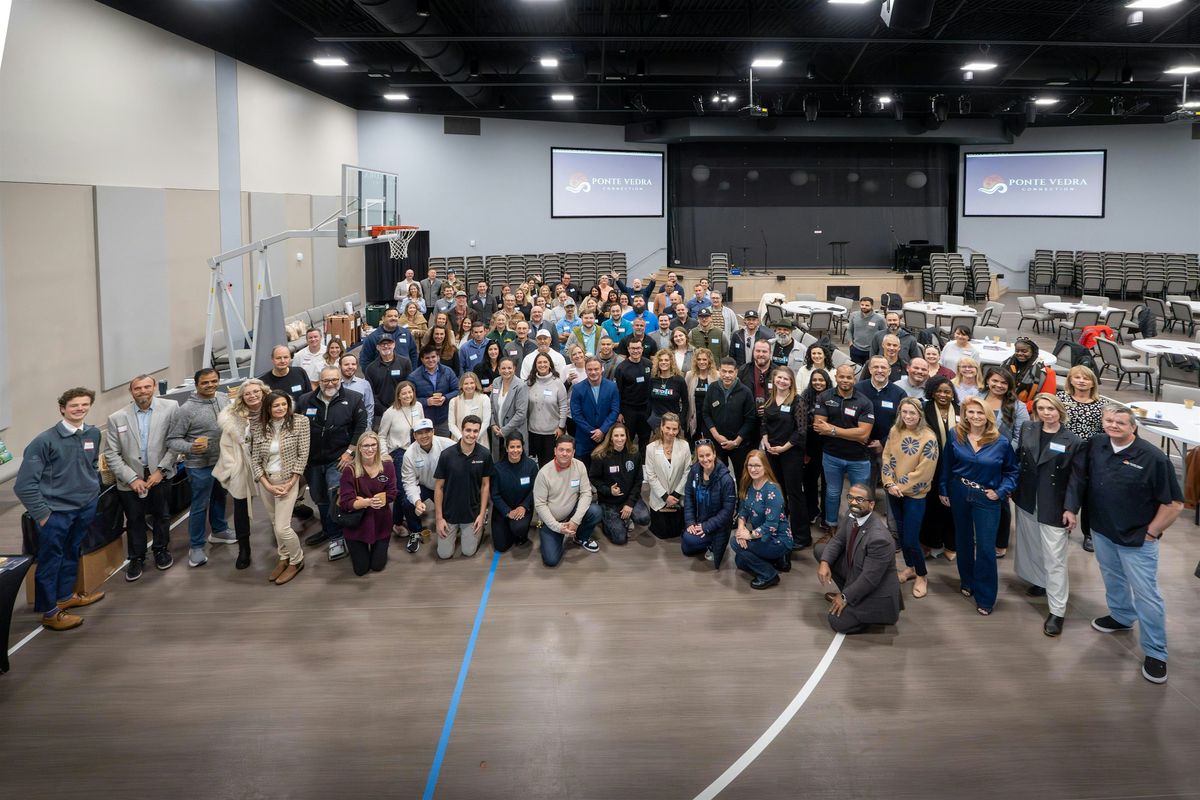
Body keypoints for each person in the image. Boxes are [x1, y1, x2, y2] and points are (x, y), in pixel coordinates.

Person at [1082, 404, 1182, 684]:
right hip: (1103, 531)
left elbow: (1174, 503)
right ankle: (1122, 616)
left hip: (1137, 539)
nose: (1113, 426)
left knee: (1146, 594)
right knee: (1112, 577)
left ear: (1133, 427)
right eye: (1109, 421)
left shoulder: (1153, 458)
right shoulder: (1098, 444)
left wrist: (1151, 532)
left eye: (1121, 423)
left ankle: (1156, 652)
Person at [16, 387, 105, 630]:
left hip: (85, 507)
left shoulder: (93, 433)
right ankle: (49, 612)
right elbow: (24, 485)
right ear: (62, 409)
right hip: (55, 513)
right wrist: (43, 515)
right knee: (50, 559)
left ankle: (65, 597)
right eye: (74, 405)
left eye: (84, 404)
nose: (80, 409)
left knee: (71, 551)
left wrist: (92, 491)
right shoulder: (43, 441)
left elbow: (92, 465)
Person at [938, 396, 1020, 616]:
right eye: (971, 412)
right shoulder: (955, 434)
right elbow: (947, 464)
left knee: (985, 547)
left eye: (980, 412)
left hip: (987, 497)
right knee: (963, 540)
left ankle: (985, 596)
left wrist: (1000, 492)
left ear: (988, 416)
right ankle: (967, 581)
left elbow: (1012, 472)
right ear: (965, 414)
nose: (975, 416)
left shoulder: (1001, 442)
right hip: (959, 491)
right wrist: (943, 488)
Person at [1012, 393, 1083, 637]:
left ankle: (1057, 611)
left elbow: (1076, 479)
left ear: (1059, 410)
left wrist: (1071, 508)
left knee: (1055, 558)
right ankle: (1041, 582)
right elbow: (1020, 460)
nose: (1046, 413)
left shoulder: (1073, 440)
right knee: (1033, 546)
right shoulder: (1028, 428)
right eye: (1041, 408)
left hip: (1054, 504)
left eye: (1051, 408)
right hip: (1027, 499)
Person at [104, 375, 179, 581]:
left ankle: (161, 549)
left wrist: (161, 471)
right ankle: (136, 557)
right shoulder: (117, 418)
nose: (142, 391)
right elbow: (111, 453)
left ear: (154, 387)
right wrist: (131, 479)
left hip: (161, 473)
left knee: (162, 515)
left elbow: (176, 442)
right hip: (131, 477)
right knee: (134, 519)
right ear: (131, 392)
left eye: (147, 387)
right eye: (137, 388)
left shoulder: (171, 408)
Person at [295, 366, 368, 561]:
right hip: (312, 461)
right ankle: (328, 529)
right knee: (319, 497)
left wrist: (349, 452)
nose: (330, 384)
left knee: (335, 495)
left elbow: (361, 426)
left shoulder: (353, 398)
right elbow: (295, 427)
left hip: (339, 459)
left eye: (334, 379)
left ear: (340, 380)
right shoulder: (305, 400)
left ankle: (338, 536)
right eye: (326, 380)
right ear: (319, 382)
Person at [166, 368, 233, 567]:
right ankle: (196, 546)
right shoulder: (186, 410)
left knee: (220, 496)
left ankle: (219, 530)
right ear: (196, 385)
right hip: (199, 466)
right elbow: (172, 440)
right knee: (199, 505)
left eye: (214, 381)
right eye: (205, 382)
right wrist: (191, 447)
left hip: (222, 461)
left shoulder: (223, 399)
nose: (210, 385)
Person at [815, 483, 903, 633]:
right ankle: (850, 595)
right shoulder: (852, 515)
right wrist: (825, 562)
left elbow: (869, 579)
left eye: (860, 499)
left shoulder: (879, 538)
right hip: (857, 569)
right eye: (850, 497)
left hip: (875, 589)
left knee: (837, 621)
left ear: (871, 504)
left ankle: (868, 612)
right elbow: (838, 540)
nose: (853, 502)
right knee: (821, 551)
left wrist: (845, 597)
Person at [248, 391, 310, 584]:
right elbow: (255, 460)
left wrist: (291, 483)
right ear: (268, 408)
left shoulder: (300, 422)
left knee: (283, 527)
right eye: (276, 405)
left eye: (284, 404)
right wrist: (266, 484)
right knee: (275, 522)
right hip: (267, 482)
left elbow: (303, 455)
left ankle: (297, 560)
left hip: (287, 481)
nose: (281, 408)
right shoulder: (258, 427)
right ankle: (284, 557)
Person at [881, 397, 939, 600]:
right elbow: (886, 456)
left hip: (915, 495)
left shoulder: (928, 437)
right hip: (894, 491)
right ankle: (910, 568)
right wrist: (889, 483)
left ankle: (922, 575)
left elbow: (925, 471)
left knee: (911, 539)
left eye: (912, 412)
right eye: (904, 412)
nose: (908, 416)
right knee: (901, 532)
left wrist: (900, 487)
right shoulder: (895, 430)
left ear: (920, 414)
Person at [813, 364, 875, 532]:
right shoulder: (824, 397)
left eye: (849, 377)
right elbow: (819, 427)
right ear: (836, 377)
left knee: (860, 496)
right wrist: (853, 433)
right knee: (832, 493)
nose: (845, 380)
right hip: (832, 456)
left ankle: (856, 529)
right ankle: (831, 527)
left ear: (854, 379)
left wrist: (832, 430)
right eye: (842, 376)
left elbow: (864, 435)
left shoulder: (865, 402)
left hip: (859, 459)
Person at [213, 378, 267, 570]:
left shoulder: (274, 409)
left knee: (277, 504)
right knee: (241, 507)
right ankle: (244, 549)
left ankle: (283, 543)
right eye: (247, 393)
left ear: (263, 392)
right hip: (243, 466)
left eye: (256, 392)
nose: (252, 396)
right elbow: (226, 447)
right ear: (242, 397)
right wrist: (234, 468)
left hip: (271, 465)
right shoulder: (233, 417)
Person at [761, 366, 812, 550]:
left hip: (791, 453)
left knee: (794, 493)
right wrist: (766, 442)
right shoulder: (770, 399)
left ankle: (802, 536)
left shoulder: (797, 401)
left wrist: (784, 447)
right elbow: (764, 423)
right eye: (779, 378)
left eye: (786, 379)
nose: (782, 381)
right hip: (771, 452)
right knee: (778, 492)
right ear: (774, 380)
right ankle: (780, 530)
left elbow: (801, 431)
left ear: (791, 382)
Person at [982, 366, 1030, 558]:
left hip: (1002, 461)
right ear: (987, 381)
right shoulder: (977, 398)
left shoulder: (1018, 407)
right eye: (995, 380)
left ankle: (1001, 541)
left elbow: (1021, 436)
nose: (998, 385)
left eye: (1003, 382)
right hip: (976, 458)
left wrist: (1001, 454)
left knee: (1000, 501)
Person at [1056, 364, 1105, 552]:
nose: (1082, 381)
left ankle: (1089, 533)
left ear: (1093, 382)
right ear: (1070, 379)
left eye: (1086, 378)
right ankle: (1064, 524)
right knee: (1062, 488)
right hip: (1064, 451)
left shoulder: (1101, 404)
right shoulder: (1061, 399)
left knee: (1088, 494)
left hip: (1090, 454)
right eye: (1077, 377)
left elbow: (1103, 432)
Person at [534, 435, 603, 566]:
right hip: (551, 521)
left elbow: (586, 493)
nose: (564, 453)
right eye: (561, 450)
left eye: (568, 450)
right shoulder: (544, 473)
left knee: (595, 511)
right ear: (555, 451)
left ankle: (580, 537)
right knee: (551, 560)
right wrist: (558, 527)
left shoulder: (580, 466)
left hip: (571, 513)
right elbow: (540, 505)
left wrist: (575, 520)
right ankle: (561, 535)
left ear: (573, 452)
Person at [336, 431, 397, 577]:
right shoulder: (350, 470)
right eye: (366, 446)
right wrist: (368, 502)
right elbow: (346, 503)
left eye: (373, 445)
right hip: (357, 524)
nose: (370, 449)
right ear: (359, 448)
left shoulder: (387, 466)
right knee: (361, 570)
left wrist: (363, 500)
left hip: (381, 522)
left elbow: (392, 492)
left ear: (378, 446)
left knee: (377, 566)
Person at [730, 450, 794, 589]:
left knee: (734, 543)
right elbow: (743, 511)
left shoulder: (772, 490)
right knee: (740, 562)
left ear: (765, 466)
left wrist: (749, 535)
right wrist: (741, 530)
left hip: (777, 539)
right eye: (750, 465)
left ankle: (769, 575)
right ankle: (774, 560)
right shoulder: (748, 485)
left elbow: (771, 525)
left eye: (757, 465)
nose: (753, 469)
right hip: (761, 536)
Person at [434, 415, 493, 559]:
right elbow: (439, 488)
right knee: (444, 554)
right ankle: (455, 530)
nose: (471, 435)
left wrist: (481, 514)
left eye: (475, 431)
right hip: (450, 513)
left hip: (471, 513)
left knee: (468, 552)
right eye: (468, 430)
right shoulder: (446, 455)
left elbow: (485, 485)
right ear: (462, 430)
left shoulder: (485, 454)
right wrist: (439, 518)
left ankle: (479, 525)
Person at [589, 422, 651, 545]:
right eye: (616, 436)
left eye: (622, 435)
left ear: (627, 436)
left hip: (628, 498)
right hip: (609, 501)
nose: (619, 439)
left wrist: (630, 503)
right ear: (610, 437)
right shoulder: (600, 455)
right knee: (620, 538)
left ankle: (624, 515)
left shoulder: (634, 454)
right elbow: (594, 478)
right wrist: (608, 490)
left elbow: (638, 480)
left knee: (644, 518)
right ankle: (607, 518)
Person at [920, 376, 959, 562]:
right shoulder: (924, 409)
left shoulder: (960, 410)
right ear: (932, 393)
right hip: (931, 464)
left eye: (947, 392)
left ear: (953, 394)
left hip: (956, 465)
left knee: (953, 506)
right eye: (939, 391)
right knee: (931, 506)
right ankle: (928, 542)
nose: (943, 395)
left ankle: (951, 544)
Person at [399, 419, 454, 553]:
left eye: (427, 431)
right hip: (424, 486)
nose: (424, 436)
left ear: (433, 432)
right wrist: (417, 502)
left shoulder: (447, 444)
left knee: (452, 509)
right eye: (420, 433)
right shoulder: (409, 454)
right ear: (414, 435)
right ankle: (415, 531)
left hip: (444, 487)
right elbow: (409, 482)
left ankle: (454, 524)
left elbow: (462, 452)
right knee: (407, 503)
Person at [680, 439, 737, 568]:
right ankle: (703, 541)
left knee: (689, 539)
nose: (705, 459)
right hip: (699, 519)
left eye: (708, 455)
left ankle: (713, 544)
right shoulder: (694, 471)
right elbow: (689, 496)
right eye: (701, 456)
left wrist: (707, 526)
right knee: (686, 548)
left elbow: (728, 511)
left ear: (714, 454)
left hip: (717, 526)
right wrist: (690, 522)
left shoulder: (726, 479)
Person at [856, 355, 907, 491]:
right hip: (861, 447)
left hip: (889, 448)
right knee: (865, 489)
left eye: (883, 367)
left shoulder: (899, 393)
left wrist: (883, 442)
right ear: (870, 369)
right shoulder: (858, 389)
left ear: (889, 371)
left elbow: (902, 423)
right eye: (876, 367)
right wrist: (861, 437)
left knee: (891, 488)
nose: (880, 370)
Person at [703, 357, 757, 478]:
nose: (727, 375)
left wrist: (736, 441)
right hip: (717, 443)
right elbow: (706, 413)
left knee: (742, 477)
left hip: (739, 445)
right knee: (717, 477)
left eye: (730, 372)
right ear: (719, 371)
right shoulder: (712, 388)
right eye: (724, 371)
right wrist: (716, 436)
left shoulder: (745, 392)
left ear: (736, 372)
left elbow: (750, 419)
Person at [644, 413, 692, 541]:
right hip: (659, 498)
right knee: (663, 533)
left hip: (678, 498)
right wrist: (665, 497)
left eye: (674, 429)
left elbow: (687, 471)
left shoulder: (684, 445)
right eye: (668, 428)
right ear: (661, 426)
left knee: (676, 532)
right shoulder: (651, 448)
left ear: (678, 429)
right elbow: (651, 475)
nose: (671, 432)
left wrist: (675, 495)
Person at [489, 433, 538, 552]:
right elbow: (495, 494)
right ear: (506, 449)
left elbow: (534, 490)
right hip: (502, 510)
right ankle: (508, 527)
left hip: (523, 508)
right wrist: (507, 511)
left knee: (519, 528)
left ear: (522, 447)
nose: (515, 450)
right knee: (501, 546)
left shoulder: (531, 466)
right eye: (512, 447)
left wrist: (523, 506)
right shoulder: (497, 468)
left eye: (518, 447)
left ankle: (519, 532)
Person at [570, 356, 621, 466]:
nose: (593, 372)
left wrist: (602, 430)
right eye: (590, 369)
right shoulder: (577, 388)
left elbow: (614, 411)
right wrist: (593, 432)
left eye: (596, 369)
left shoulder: (612, 387)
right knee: (583, 470)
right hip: (584, 439)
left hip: (606, 437)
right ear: (585, 370)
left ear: (602, 369)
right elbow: (576, 415)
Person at [526, 352, 568, 466]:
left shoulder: (557, 383)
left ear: (550, 364)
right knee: (535, 464)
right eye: (539, 362)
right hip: (533, 432)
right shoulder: (529, 383)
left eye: (545, 362)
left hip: (553, 433)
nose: (542, 365)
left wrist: (561, 427)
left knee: (549, 465)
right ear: (535, 365)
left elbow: (563, 406)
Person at [801, 368, 831, 528]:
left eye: (821, 380)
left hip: (829, 447)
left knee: (828, 485)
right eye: (815, 380)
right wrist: (805, 451)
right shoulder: (805, 398)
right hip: (810, 447)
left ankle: (827, 516)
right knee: (809, 482)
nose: (818, 383)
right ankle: (811, 511)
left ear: (827, 381)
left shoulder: (833, 397)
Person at [613, 337, 654, 454]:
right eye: (633, 348)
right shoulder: (621, 368)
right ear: (628, 349)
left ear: (642, 349)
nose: (636, 351)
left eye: (638, 348)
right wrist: (619, 412)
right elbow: (617, 392)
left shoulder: (649, 364)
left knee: (645, 438)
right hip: (628, 410)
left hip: (645, 409)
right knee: (628, 439)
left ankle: (643, 463)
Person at [411, 344, 460, 436]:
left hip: (444, 419)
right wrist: (426, 402)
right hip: (423, 420)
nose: (430, 360)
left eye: (433, 357)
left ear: (438, 358)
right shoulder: (413, 377)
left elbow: (457, 390)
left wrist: (445, 398)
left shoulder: (448, 372)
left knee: (444, 444)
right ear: (422, 359)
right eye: (427, 358)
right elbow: (410, 399)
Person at [365, 336, 412, 425]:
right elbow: (371, 394)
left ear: (394, 345)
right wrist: (384, 411)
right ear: (377, 347)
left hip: (403, 410)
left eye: (389, 343)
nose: (386, 346)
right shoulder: (370, 369)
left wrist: (401, 406)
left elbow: (409, 387)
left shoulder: (405, 363)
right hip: (381, 415)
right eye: (382, 344)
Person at [489, 356, 528, 462]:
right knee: (499, 463)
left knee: (515, 463)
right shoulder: (496, 382)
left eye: (509, 368)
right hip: (497, 432)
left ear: (514, 368)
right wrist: (492, 424)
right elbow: (491, 406)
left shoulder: (521, 386)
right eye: (503, 368)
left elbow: (521, 414)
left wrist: (504, 430)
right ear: (499, 369)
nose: (506, 371)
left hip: (514, 432)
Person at [1003, 337, 1056, 411]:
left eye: (1024, 351)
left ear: (1033, 352)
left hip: (1028, 410)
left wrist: (1017, 408)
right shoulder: (1006, 366)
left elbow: (1047, 400)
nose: (1020, 353)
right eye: (1017, 351)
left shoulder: (1046, 373)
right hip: (1002, 404)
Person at [449, 372, 492, 449]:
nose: (469, 386)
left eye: (472, 383)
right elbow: (451, 424)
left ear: (476, 384)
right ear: (461, 385)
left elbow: (486, 422)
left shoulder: (484, 399)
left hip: (479, 441)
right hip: (459, 441)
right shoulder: (454, 401)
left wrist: (474, 437)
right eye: (466, 384)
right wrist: (462, 439)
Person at [648, 349, 689, 431]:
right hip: (656, 420)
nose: (663, 362)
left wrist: (681, 419)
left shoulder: (679, 380)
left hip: (672, 422)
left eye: (666, 360)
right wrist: (649, 417)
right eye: (661, 360)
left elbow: (685, 402)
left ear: (671, 362)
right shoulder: (653, 379)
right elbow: (649, 399)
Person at [686, 347, 719, 439]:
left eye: (704, 359)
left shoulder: (717, 376)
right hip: (694, 415)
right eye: (699, 359)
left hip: (711, 416)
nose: (701, 362)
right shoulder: (689, 375)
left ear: (709, 361)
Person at [338, 353, 376, 429]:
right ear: (340, 366)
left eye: (353, 364)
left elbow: (369, 408)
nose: (350, 367)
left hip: (360, 427)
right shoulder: (334, 384)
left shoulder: (365, 384)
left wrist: (367, 428)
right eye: (346, 364)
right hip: (339, 428)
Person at [739, 340, 773, 422]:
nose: (761, 354)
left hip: (771, 420)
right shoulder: (743, 371)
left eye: (764, 351)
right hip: (747, 419)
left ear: (770, 353)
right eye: (758, 351)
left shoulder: (778, 373)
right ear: (753, 352)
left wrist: (770, 409)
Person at [847, 297, 885, 366]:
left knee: (870, 370)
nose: (864, 307)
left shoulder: (879, 319)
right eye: (862, 305)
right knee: (856, 370)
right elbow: (849, 330)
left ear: (872, 306)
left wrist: (880, 349)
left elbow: (884, 334)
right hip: (855, 349)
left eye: (867, 305)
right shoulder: (854, 315)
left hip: (871, 351)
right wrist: (850, 343)